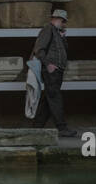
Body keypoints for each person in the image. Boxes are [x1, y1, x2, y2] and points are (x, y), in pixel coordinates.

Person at [30, 8, 76, 136]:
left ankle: (36, 128)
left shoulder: (56, 32)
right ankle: (62, 128)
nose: (64, 24)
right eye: (63, 21)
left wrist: (62, 38)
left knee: (48, 99)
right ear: (56, 19)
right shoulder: (48, 29)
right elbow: (39, 49)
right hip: (51, 70)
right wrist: (48, 64)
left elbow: (63, 51)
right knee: (55, 98)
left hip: (57, 70)